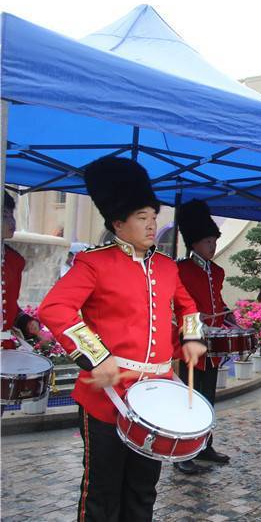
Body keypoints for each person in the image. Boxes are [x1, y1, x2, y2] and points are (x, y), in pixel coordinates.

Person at [38, 157, 206, 521]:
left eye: (153, 216)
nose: (152, 225)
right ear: (118, 223)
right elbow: (55, 309)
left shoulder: (166, 266)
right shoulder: (94, 263)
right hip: (106, 398)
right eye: (142, 218)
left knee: (143, 490)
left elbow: (187, 304)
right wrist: (97, 357)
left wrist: (192, 337)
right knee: (102, 491)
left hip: (157, 396)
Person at [172, 199, 232, 474]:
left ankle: (204, 445)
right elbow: (177, 308)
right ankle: (182, 453)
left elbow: (217, 303)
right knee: (189, 400)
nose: (213, 246)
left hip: (213, 347)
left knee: (207, 398)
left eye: (214, 241)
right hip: (190, 345)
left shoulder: (216, 272)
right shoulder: (181, 270)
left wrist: (229, 319)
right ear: (194, 243)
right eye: (209, 242)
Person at [2, 190, 40, 349]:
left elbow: (7, 305)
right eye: (4, 216)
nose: (12, 222)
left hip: (5, 348)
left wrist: (25, 321)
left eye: (12, 215)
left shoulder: (14, 260)